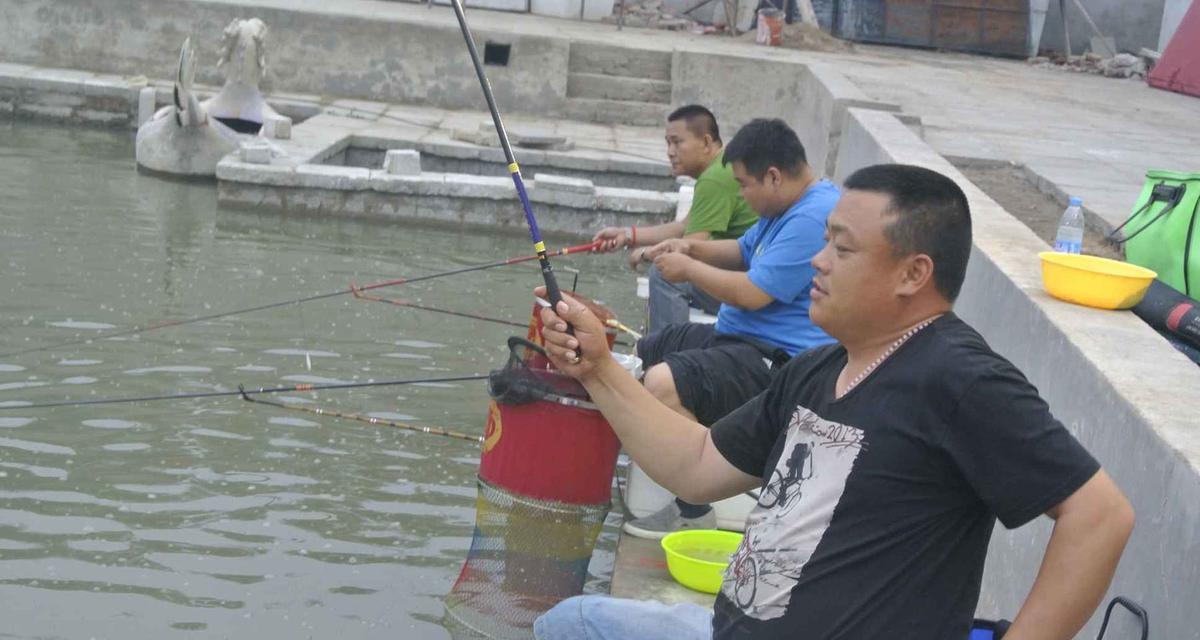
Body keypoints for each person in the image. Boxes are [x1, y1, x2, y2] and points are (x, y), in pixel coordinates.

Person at [532, 163, 1134, 639]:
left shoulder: (959, 377)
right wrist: (598, 369)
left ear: (912, 273)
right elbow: (696, 466)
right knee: (570, 624)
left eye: (842, 250)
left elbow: (1100, 516)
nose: (818, 262)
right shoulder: (821, 367)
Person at [621, 118, 838, 539]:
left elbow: (755, 293)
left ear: (773, 176)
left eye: (743, 185)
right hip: (739, 339)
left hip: (779, 361)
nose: (740, 194)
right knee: (648, 352)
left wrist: (689, 269)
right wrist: (689, 245)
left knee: (665, 384)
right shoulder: (786, 207)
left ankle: (693, 507)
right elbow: (742, 250)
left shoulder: (813, 218)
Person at [592, 105, 758, 331]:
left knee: (666, 274)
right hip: (749, 274)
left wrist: (646, 254)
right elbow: (685, 226)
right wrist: (629, 235)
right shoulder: (720, 168)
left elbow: (688, 248)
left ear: (707, 142)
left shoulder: (714, 179)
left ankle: (669, 354)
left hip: (749, 287)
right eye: (668, 143)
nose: (670, 151)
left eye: (677, 142)